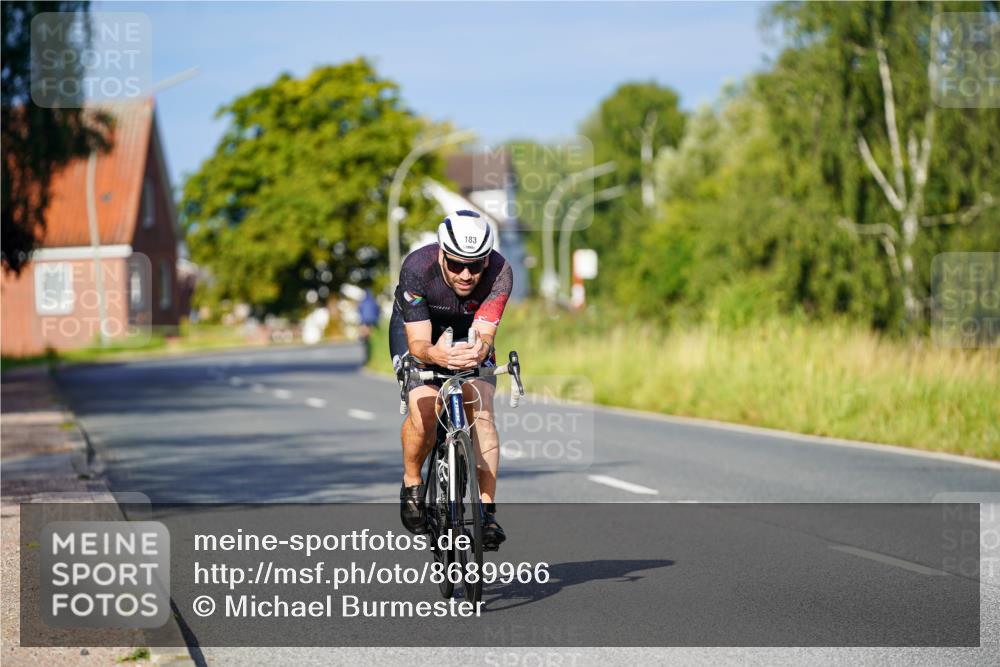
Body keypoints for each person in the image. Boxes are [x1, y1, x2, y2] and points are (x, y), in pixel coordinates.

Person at [390, 209, 513, 550]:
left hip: (469, 334)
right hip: (420, 331)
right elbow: (417, 345)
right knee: (426, 408)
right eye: (457, 263)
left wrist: (476, 352)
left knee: (483, 410)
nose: (465, 274)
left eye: (475, 266)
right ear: (442, 254)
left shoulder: (501, 272)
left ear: (486, 261)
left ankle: (486, 514)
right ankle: (413, 482)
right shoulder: (417, 267)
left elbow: (485, 335)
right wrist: (435, 356)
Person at [357, 290, 380, 364]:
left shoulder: (363, 303)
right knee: (373, 338)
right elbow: (378, 310)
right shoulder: (374, 302)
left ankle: (364, 340)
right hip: (373, 322)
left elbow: (359, 310)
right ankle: (373, 355)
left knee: (365, 337)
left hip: (364, 322)